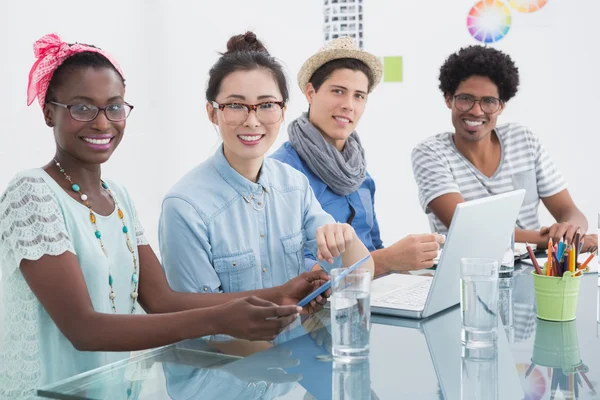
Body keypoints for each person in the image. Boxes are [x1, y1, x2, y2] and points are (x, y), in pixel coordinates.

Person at [0, 33, 330, 398]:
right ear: (49, 112)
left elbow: (161, 301)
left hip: (116, 391)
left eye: (113, 107)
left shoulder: (117, 196)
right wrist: (222, 319)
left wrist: (280, 293)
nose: (101, 123)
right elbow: (83, 329)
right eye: (82, 108)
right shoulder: (30, 193)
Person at [158, 32, 374, 305]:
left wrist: (346, 238)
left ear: (283, 111)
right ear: (212, 112)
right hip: (229, 349)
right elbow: (201, 326)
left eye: (267, 105)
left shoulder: (293, 186)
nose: (252, 120)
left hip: (296, 342)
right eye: (236, 105)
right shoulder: (185, 207)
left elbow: (361, 273)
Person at [271, 36, 444, 275]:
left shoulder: (360, 173)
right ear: (310, 93)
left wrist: (409, 270)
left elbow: (374, 246)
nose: (348, 105)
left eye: (359, 96)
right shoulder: (280, 173)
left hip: (373, 296)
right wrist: (388, 260)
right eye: (338, 91)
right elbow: (291, 271)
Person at [411, 45, 597, 251]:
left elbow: (568, 210)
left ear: (501, 106)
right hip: (468, 271)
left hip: (533, 267)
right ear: (448, 99)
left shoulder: (523, 139)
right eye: (465, 99)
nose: (476, 111)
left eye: (489, 101)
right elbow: (468, 229)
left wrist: (572, 231)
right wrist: (553, 241)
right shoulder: (430, 153)